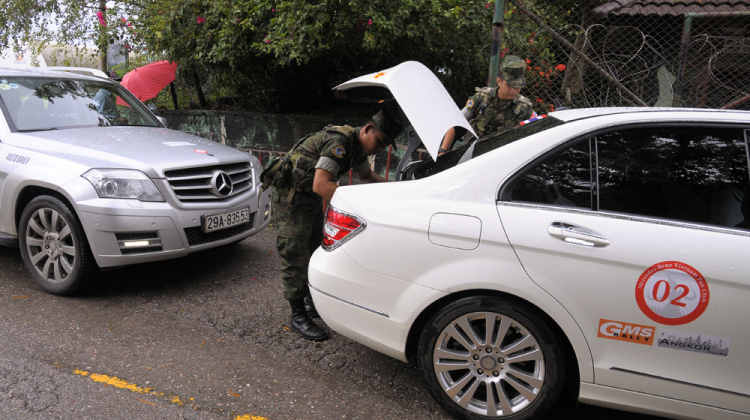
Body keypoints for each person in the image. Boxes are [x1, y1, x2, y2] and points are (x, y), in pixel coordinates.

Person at [268, 110, 402, 341]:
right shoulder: (340, 142)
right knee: (295, 254)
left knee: (313, 250)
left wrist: (396, 190)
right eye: (379, 141)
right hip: (290, 199)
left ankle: (310, 304)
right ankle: (297, 315)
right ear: (368, 129)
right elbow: (322, 185)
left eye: (385, 146)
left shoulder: (357, 147)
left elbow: (366, 176)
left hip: (308, 197)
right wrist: (355, 206)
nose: (379, 149)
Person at [438, 55, 535, 156]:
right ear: (499, 81)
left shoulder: (524, 108)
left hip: (502, 155)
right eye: (510, 85)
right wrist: (443, 150)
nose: (513, 90)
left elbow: (534, 133)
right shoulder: (482, 98)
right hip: (472, 151)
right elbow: (457, 123)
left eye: (517, 86)